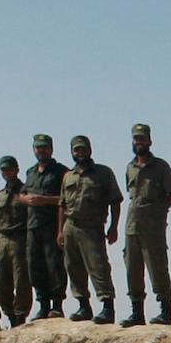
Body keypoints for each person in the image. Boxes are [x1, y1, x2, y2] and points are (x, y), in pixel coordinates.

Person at [122, 123, 171, 326]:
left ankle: (165, 312)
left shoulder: (160, 166)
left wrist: (160, 211)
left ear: (150, 141)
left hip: (153, 226)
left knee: (157, 267)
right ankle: (137, 312)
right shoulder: (130, 167)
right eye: (136, 139)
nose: (139, 142)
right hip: (132, 225)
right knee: (132, 266)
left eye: (142, 139)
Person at [59, 134, 121, 324]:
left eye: (83, 149)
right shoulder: (68, 176)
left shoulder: (103, 173)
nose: (80, 153)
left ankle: (107, 307)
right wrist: (60, 230)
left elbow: (115, 200)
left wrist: (114, 227)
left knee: (98, 266)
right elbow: (62, 204)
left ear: (90, 150)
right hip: (70, 225)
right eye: (76, 150)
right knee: (73, 266)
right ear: (71, 152)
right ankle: (83, 305)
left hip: (92, 226)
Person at [19, 134, 68, 321]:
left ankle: (57, 305)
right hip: (33, 226)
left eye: (44, 147)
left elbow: (66, 199)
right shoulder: (31, 172)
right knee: (34, 265)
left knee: (54, 265)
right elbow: (21, 194)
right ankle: (43, 305)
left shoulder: (61, 172)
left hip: (52, 225)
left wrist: (44, 200)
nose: (41, 151)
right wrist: (26, 199)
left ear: (51, 149)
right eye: (38, 147)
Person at [0, 156, 32, 329]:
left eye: (9, 169)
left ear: (16, 169)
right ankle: (10, 315)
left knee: (21, 279)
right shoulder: (1, 195)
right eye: (3, 170)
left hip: (20, 238)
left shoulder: (25, 191)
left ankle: (20, 316)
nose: (6, 172)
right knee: (0, 283)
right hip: (3, 239)